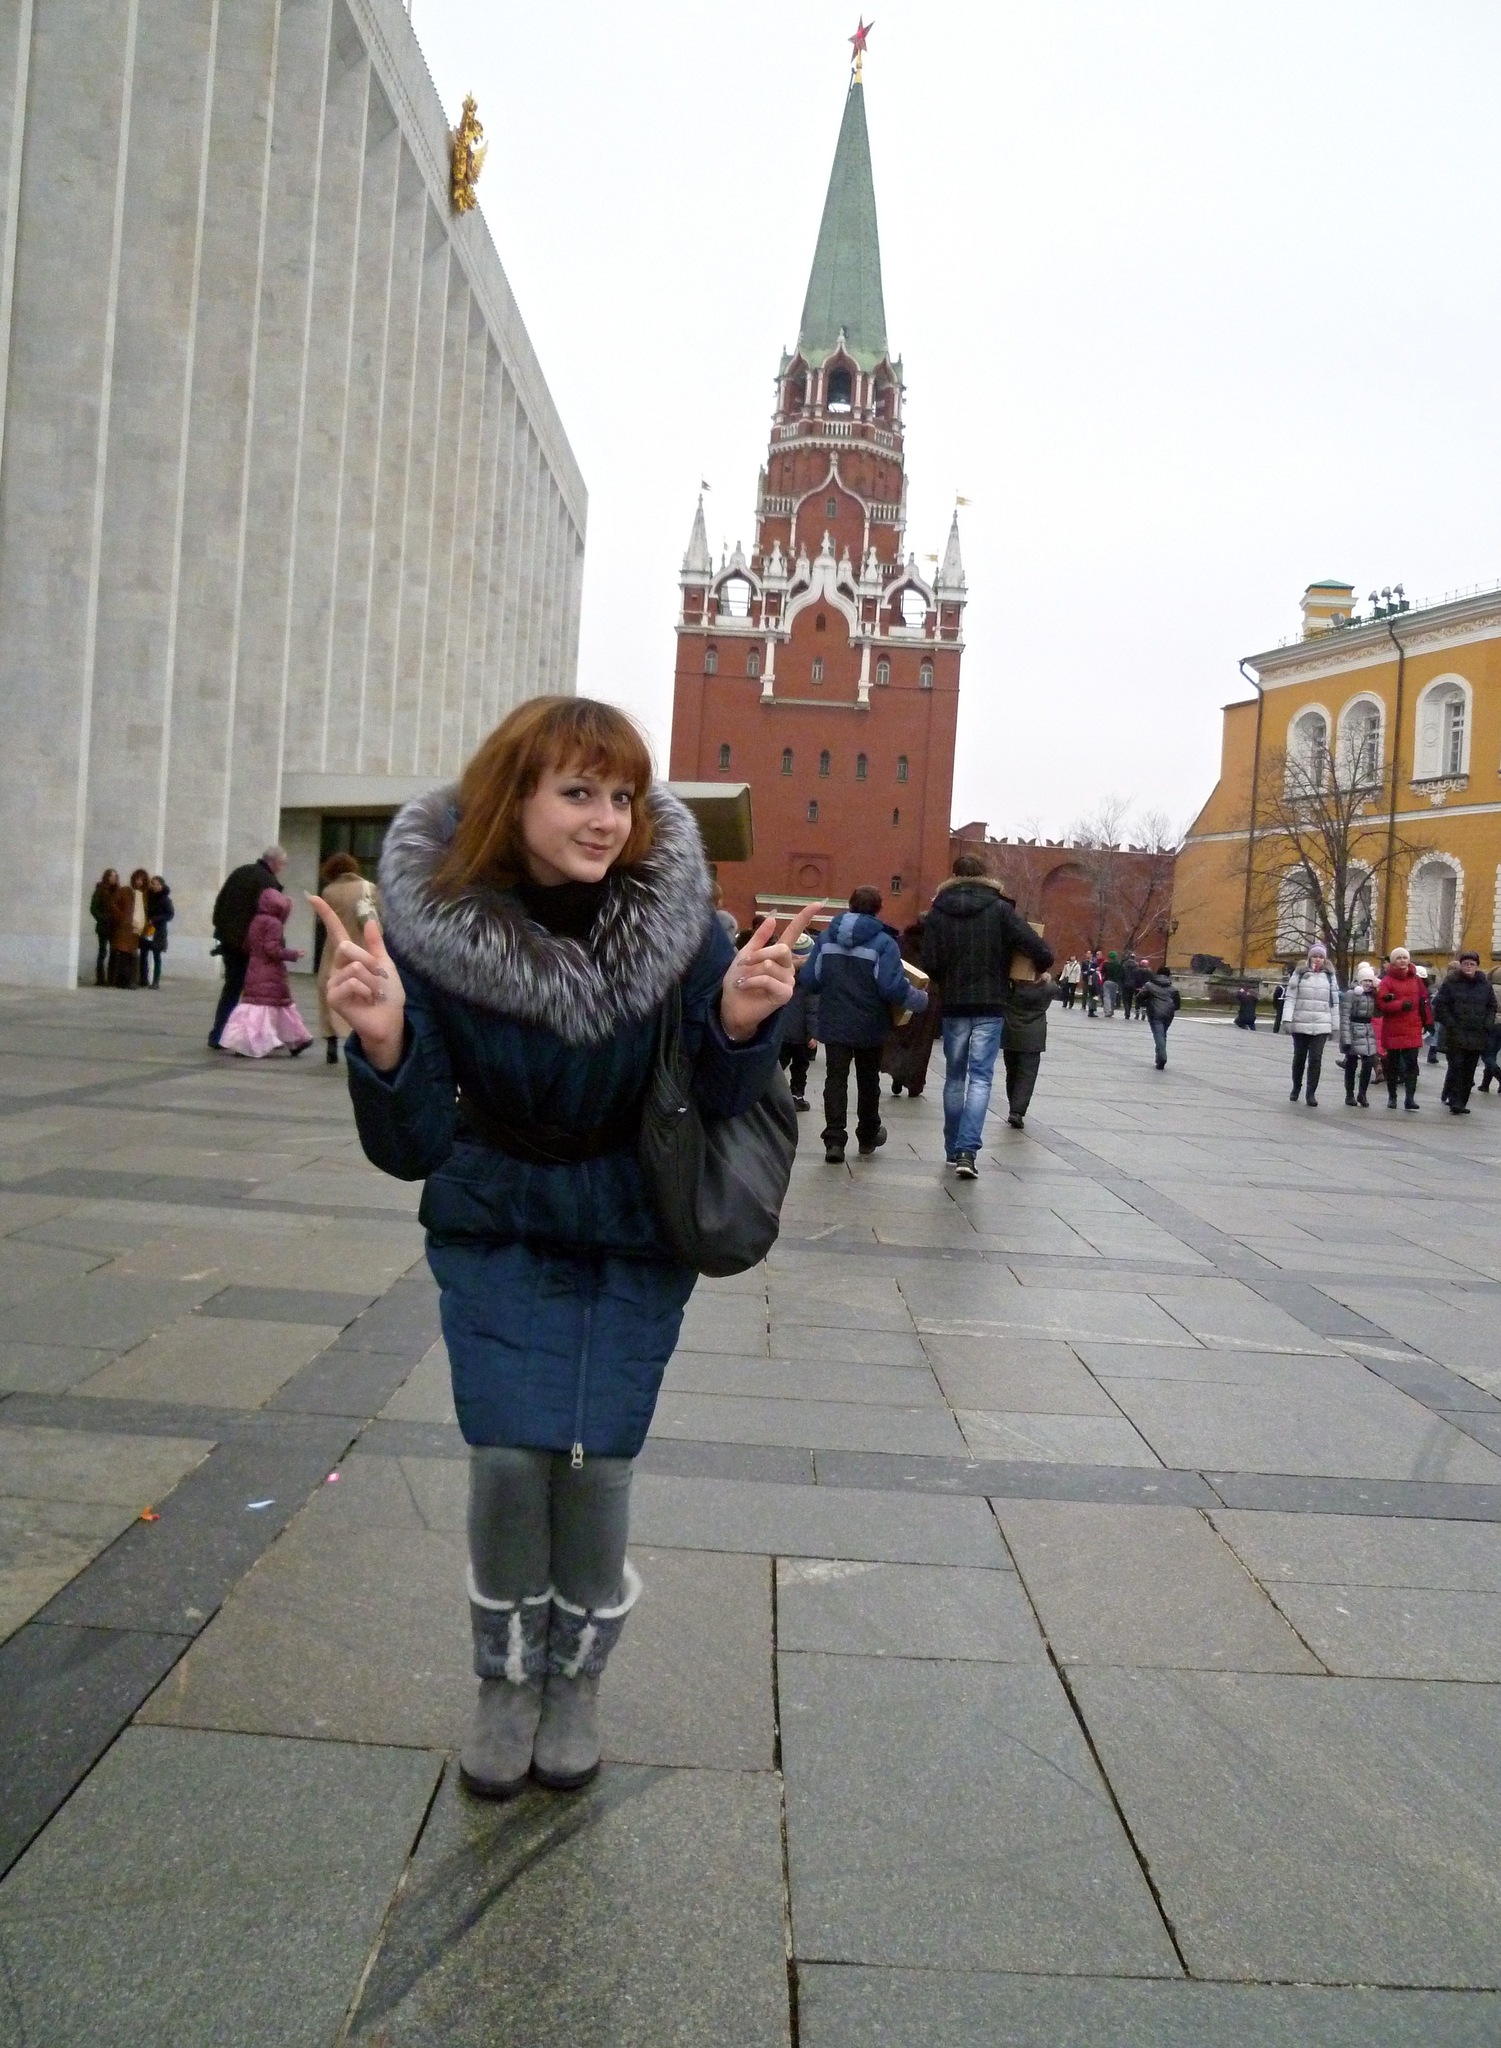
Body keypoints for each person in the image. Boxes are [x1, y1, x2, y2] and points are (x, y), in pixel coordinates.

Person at [314, 696, 803, 1800]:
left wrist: (736, 1020)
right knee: (507, 1453)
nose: (605, 818)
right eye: (578, 792)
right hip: (498, 1214)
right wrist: (385, 1044)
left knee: (593, 1459)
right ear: (513, 796)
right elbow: (410, 1145)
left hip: (632, 1223)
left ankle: (574, 1678)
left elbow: (718, 1098)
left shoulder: (684, 926)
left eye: (621, 796)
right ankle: (503, 1678)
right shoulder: (434, 928)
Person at [921, 855, 1052, 1178]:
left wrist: (949, 979)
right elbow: (1040, 950)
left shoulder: (937, 912)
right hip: (990, 1005)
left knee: (954, 1078)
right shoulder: (1000, 909)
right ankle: (967, 1152)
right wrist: (1031, 968)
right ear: (985, 875)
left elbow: (930, 963)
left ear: (954, 875)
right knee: (980, 1077)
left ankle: (952, 1148)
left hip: (954, 1006)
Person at [802, 885, 925, 1164]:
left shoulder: (826, 939)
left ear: (849, 905)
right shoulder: (884, 943)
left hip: (834, 1021)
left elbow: (810, 979)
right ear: (878, 909)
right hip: (870, 1023)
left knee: (835, 1079)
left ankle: (834, 1140)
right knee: (868, 1080)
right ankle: (868, 1135)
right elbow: (890, 987)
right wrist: (920, 1000)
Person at [217, 889, 313, 1057]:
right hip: (271, 971)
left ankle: (243, 1041)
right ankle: (296, 1038)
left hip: (254, 968)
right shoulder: (274, 924)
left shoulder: (256, 920)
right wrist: (292, 954)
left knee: (259, 1006)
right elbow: (272, 949)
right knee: (277, 1006)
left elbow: (247, 945)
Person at [210, 845, 288, 1047]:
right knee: (257, 993)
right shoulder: (268, 882)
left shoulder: (240, 872)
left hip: (229, 942)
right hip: (252, 947)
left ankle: (218, 1033)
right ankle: (251, 1036)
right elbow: (271, 918)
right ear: (273, 862)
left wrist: (224, 933)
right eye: (282, 864)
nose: (282, 868)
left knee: (232, 988)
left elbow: (220, 906)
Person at [315, 853, 378, 1064]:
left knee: (329, 992)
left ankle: (331, 1042)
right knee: (360, 995)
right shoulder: (368, 888)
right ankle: (359, 1041)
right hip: (361, 949)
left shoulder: (328, 891)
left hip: (334, 950)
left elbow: (323, 920)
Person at [1432, 951, 1498, 1115]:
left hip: (1477, 1034)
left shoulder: (1485, 985)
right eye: (1465, 964)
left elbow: (1491, 1006)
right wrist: (1450, 1022)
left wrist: (1487, 1024)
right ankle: (1454, 1101)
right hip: (1456, 1033)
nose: (1468, 967)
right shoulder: (1451, 983)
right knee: (1456, 1067)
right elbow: (1440, 1005)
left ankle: (1462, 1101)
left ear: (1477, 966)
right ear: (1460, 965)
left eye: (1472, 964)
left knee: (1469, 1070)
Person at [884, 917, 941, 1099]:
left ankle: (897, 1073)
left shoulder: (902, 942)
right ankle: (915, 1083)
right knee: (922, 1043)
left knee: (900, 1036)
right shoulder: (938, 945)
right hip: (930, 998)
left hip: (904, 993)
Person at [998, 972, 1062, 1128]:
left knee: (1012, 1073)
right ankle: (1017, 1111)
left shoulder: (1011, 987)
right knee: (1027, 1075)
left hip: (1011, 1034)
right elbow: (1056, 988)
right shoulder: (1046, 988)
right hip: (1034, 1037)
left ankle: (1013, 1105)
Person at [1284, 942, 1339, 1106]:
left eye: (1321, 957)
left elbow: (1334, 1002)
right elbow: (1290, 998)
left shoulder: (1329, 976)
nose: (1318, 959)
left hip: (1321, 1024)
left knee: (1316, 1058)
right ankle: (1296, 1087)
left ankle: (1311, 1093)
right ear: (1309, 958)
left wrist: (1335, 1026)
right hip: (1301, 1022)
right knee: (1299, 1058)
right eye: (1315, 956)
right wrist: (1287, 1019)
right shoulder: (1300, 974)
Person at [1376, 947, 1430, 1111]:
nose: (1402, 960)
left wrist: (1428, 1021)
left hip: (1412, 1026)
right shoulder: (1387, 980)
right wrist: (1399, 1005)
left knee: (1412, 1064)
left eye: (1404, 957)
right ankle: (1392, 1097)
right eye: (1398, 958)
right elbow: (1381, 1003)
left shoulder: (1416, 979)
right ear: (1393, 961)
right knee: (1392, 1065)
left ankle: (1410, 1098)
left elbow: (1424, 1000)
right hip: (1393, 1027)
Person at [777, 930, 818, 1109]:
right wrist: (813, 1034)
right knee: (800, 1067)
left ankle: (769, 1093)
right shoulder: (811, 982)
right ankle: (797, 1095)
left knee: (778, 1066)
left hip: (782, 1032)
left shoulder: (780, 976)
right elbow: (812, 1010)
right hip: (801, 1036)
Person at [1338, 962, 1379, 1107]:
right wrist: (1346, 1038)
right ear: (1360, 981)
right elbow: (1345, 1016)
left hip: (1368, 1031)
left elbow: (1378, 1012)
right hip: (1354, 1029)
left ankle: (1362, 1093)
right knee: (1351, 1063)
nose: (1368, 983)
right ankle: (1349, 1094)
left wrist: (1381, 994)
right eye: (1365, 980)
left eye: (1370, 980)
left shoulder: (1373, 995)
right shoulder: (1352, 994)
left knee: (1368, 1063)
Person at [1141, 964, 1180, 1068]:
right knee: (1163, 1034)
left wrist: (1145, 1004)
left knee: (1158, 1034)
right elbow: (1177, 1005)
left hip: (1155, 1013)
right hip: (1169, 1013)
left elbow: (1140, 997)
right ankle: (1159, 1057)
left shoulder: (1149, 985)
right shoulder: (1173, 989)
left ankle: (1162, 1057)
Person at [107, 874, 143, 987]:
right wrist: (122, 917)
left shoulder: (142, 894)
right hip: (124, 929)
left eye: (142, 880)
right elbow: (113, 904)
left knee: (132, 955)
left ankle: (131, 981)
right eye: (138, 879)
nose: (139, 882)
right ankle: (123, 981)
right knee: (123, 954)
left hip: (136, 929)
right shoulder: (125, 891)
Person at [141, 875, 174, 988]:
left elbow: (170, 915)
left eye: (156, 884)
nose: (153, 886)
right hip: (147, 929)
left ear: (161, 885)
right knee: (143, 953)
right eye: (152, 884)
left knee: (156, 955)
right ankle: (143, 979)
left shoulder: (165, 899)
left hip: (159, 930)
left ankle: (155, 981)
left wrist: (155, 919)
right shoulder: (149, 897)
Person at [88, 869, 119, 986]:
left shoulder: (118, 891)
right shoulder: (100, 890)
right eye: (111, 876)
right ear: (107, 877)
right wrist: (103, 918)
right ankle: (100, 979)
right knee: (102, 951)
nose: (114, 878)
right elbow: (93, 909)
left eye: (115, 876)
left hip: (115, 926)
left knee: (114, 952)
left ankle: (112, 978)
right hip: (103, 926)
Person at [1102, 951, 1122, 1019]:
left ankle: (1107, 1011)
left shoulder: (1106, 963)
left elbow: (1102, 972)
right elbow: (1120, 974)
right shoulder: (1118, 964)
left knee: (1106, 996)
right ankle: (1112, 1010)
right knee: (1113, 997)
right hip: (1114, 982)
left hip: (1107, 981)